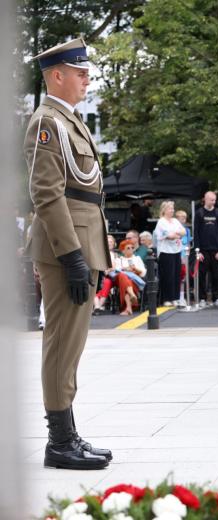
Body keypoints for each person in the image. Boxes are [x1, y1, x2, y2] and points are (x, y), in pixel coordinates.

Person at [23, 38, 112, 470]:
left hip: (80, 242)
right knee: (61, 344)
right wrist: (72, 255)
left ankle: (68, 434)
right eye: (80, 72)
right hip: (66, 248)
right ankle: (59, 442)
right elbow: (46, 193)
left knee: (71, 344)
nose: (87, 77)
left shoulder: (68, 120)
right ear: (56, 75)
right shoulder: (47, 122)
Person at [194, 191, 218, 308]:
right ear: (205, 199)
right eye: (211, 200)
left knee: (216, 275)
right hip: (203, 250)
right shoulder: (199, 213)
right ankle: (202, 299)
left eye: (214, 200)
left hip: (216, 250)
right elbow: (196, 233)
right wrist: (197, 251)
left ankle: (216, 298)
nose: (213, 202)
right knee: (202, 275)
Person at [153, 200, 186, 307]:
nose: (172, 210)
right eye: (170, 208)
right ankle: (166, 298)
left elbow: (183, 232)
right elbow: (167, 235)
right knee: (167, 275)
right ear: (164, 210)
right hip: (165, 252)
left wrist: (175, 234)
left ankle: (175, 298)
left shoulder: (176, 221)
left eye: (173, 208)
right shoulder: (161, 222)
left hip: (176, 250)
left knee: (176, 275)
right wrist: (176, 234)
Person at [114, 239, 147, 315]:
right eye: (128, 248)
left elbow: (143, 272)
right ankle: (132, 295)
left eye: (132, 247)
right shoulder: (119, 260)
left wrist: (135, 269)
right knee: (123, 275)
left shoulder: (137, 258)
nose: (131, 249)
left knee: (127, 282)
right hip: (121, 281)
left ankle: (128, 308)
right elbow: (116, 270)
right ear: (123, 251)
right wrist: (125, 269)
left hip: (134, 281)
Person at [93, 234, 120, 312]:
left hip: (111, 276)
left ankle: (99, 305)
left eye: (111, 242)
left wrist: (110, 270)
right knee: (95, 283)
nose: (109, 243)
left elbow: (118, 267)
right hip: (100, 274)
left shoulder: (116, 255)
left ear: (114, 244)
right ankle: (97, 305)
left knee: (106, 282)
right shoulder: (99, 254)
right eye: (107, 241)